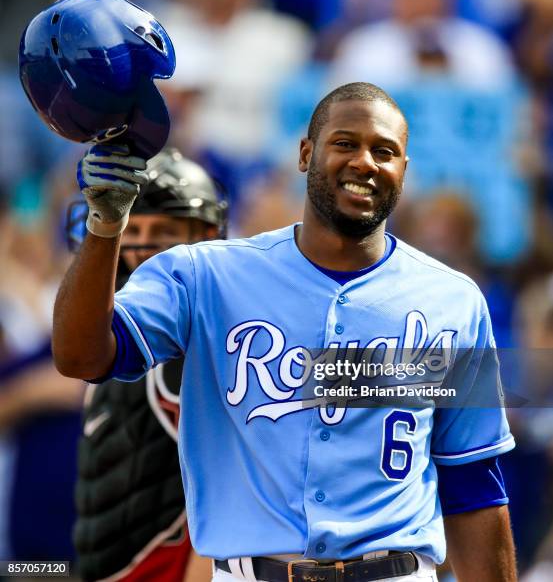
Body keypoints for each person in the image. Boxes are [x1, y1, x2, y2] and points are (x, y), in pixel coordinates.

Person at [53, 83, 517, 582]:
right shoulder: (205, 275)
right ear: (305, 153)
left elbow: (474, 485)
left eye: (385, 151)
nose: (365, 162)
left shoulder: (453, 301)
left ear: (403, 171)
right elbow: (82, 357)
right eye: (344, 143)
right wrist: (105, 225)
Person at [70, 147, 227, 582]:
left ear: (207, 236)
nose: (140, 246)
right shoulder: (113, 332)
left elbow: (234, 479)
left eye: (163, 229)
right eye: (132, 228)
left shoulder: (201, 334)